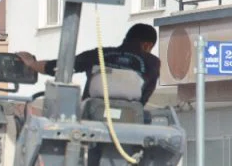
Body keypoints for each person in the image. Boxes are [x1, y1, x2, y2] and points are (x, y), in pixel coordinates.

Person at [16, 22, 162, 106]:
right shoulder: (152, 62)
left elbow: (60, 67)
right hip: (130, 123)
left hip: (91, 118)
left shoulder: (99, 54)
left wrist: (31, 63)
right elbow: (144, 98)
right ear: (147, 45)